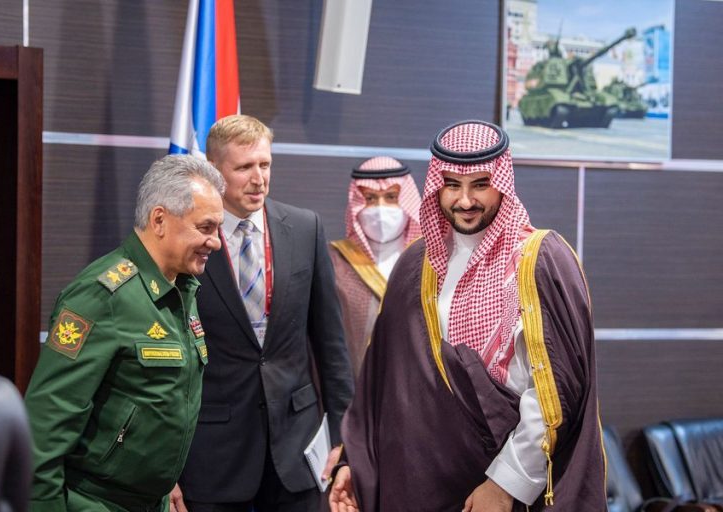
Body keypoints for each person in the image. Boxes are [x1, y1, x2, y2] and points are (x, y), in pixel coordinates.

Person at [330, 120, 606, 511]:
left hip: (510, 490)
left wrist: (505, 483)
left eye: (480, 184)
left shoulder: (539, 259)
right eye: (452, 185)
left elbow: (555, 388)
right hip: (423, 486)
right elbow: (382, 381)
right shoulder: (417, 264)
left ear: (502, 183)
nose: (464, 200)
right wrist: (354, 462)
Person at [24, 154, 226, 512]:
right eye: (206, 228)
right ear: (159, 220)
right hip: (94, 502)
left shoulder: (182, 289)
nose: (217, 242)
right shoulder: (101, 296)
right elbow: (46, 423)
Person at [173, 115, 354, 512]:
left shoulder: (305, 228)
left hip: (298, 448)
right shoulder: (186, 236)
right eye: (244, 167)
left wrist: (345, 437)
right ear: (214, 170)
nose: (258, 179)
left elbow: (331, 345)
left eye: (265, 164)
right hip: (214, 452)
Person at [329, 156, 422, 376]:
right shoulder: (334, 260)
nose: (380, 209)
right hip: (353, 384)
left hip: (415, 383)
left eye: (391, 197)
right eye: (370, 198)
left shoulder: (429, 260)